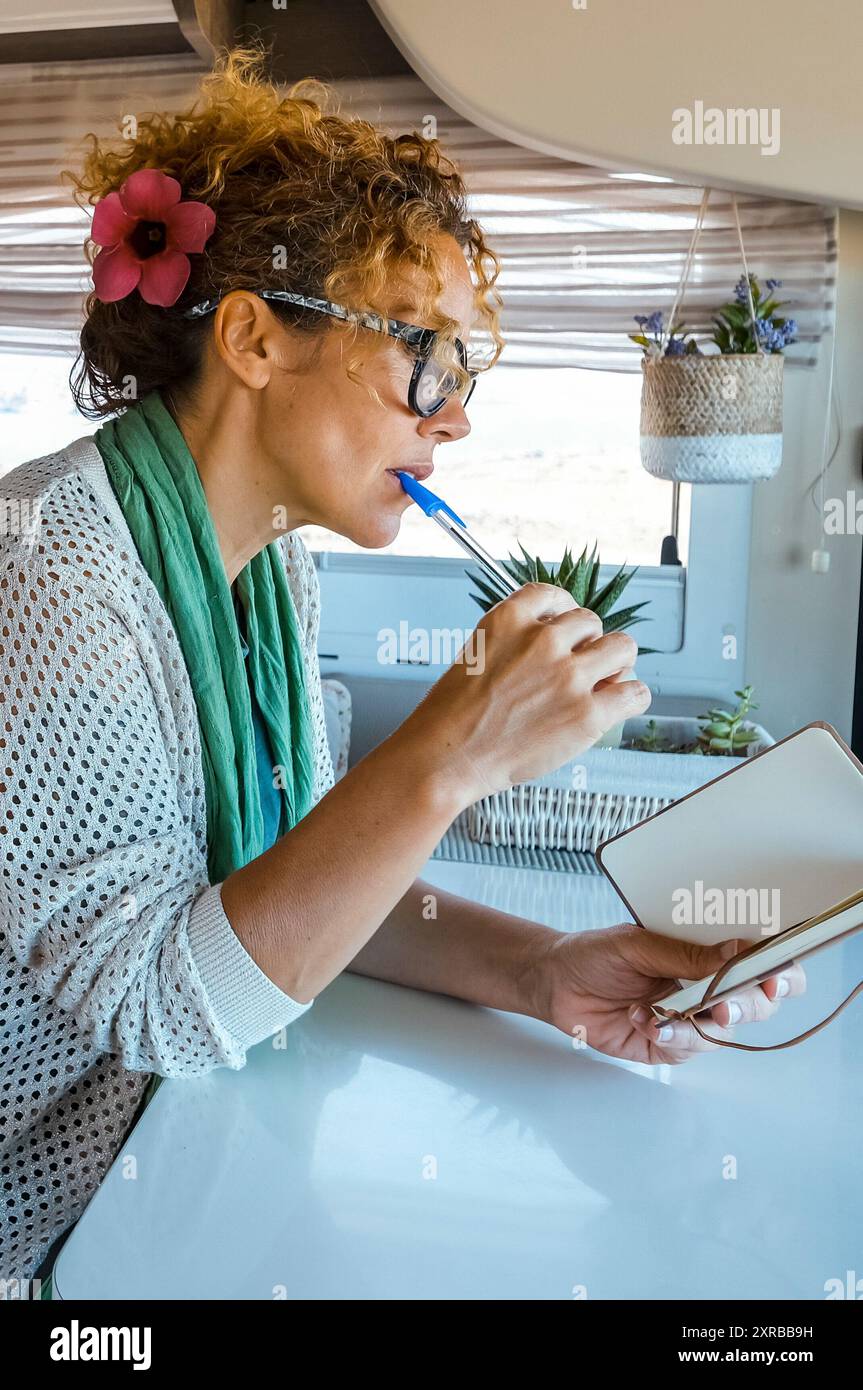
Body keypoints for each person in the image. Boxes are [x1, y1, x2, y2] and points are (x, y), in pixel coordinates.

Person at [0, 48, 804, 1293]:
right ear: (254, 338)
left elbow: (290, 887)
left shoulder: (268, 571)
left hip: (174, 1182)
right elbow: (165, 998)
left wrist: (539, 968)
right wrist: (451, 752)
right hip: (50, 1230)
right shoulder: (51, 574)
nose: (457, 418)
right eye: (421, 355)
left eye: (462, 371)